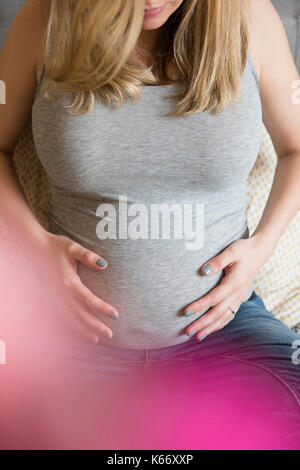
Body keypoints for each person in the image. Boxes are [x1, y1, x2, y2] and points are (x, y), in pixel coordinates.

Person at [1, 0, 300, 449]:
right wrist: (38, 248)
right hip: (67, 335)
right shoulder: (45, 20)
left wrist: (261, 249)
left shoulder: (249, 17)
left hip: (225, 330)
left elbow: (297, 148)